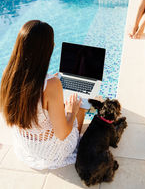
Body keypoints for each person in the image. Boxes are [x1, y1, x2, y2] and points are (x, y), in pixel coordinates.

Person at [0, 20, 86, 170]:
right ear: (48, 49)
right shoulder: (51, 84)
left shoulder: (8, 75)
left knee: (62, 107)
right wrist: (72, 111)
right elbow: (62, 134)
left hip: (26, 143)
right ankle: (79, 139)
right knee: (80, 105)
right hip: (50, 151)